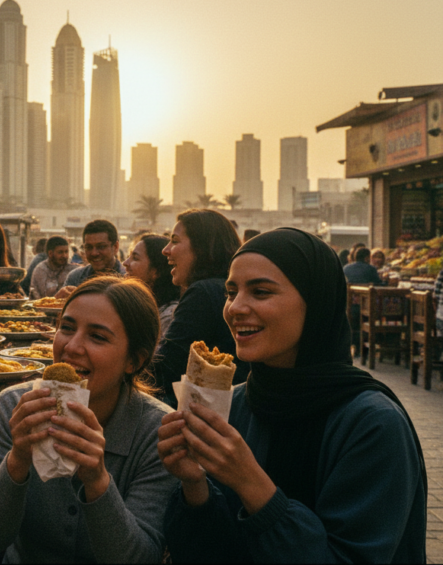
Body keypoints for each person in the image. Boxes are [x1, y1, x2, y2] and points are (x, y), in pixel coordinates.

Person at [158, 228, 426, 563]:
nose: (235, 307)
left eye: (260, 292)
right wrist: (195, 485)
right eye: (231, 292)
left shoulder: (372, 424)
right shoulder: (236, 405)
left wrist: (250, 482)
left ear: (316, 302)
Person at [0, 277, 177, 562]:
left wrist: (97, 481)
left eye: (97, 337)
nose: (71, 346)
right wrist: (18, 459)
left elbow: (142, 557)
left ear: (134, 361)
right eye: (66, 328)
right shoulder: (14, 408)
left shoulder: (158, 432)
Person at [154, 209, 242, 405]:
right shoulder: (222, 289)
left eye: (175, 241)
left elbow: (166, 368)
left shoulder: (202, 293)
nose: (166, 250)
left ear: (202, 248)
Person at [123, 234, 179, 345]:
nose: (125, 263)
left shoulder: (169, 317)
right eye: (129, 256)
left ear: (156, 272)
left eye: (135, 258)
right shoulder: (136, 307)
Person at [56, 219, 125, 299]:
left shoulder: (128, 279)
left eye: (101, 247)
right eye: (89, 247)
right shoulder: (75, 278)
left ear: (116, 247)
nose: (94, 253)